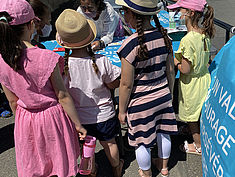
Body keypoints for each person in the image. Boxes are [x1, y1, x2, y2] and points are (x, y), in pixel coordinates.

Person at [0, 0, 87, 176]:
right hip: (52, 118)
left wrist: (23, 122)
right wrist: (78, 125)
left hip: (25, 118)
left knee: (35, 163)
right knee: (59, 161)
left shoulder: (2, 60)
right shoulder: (46, 57)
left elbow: (12, 100)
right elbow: (62, 96)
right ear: (32, 24)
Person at [55, 9, 124, 177]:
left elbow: (61, 93)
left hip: (79, 119)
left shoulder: (63, 66)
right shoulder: (101, 60)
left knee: (86, 148)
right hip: (105, 115)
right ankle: (117, 167)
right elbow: (114, 82)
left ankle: (91, 171)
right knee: (110, 144)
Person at [115, 0, 178, 176]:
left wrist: (121, 111)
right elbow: (171, 71)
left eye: (125, 11)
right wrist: (170, 94)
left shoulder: (130, 45)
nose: (124, 15)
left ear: (133, 15)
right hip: (163, 95)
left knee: (141, 141)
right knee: (163, 131)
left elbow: (126, 84)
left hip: (140, 103)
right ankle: (164, 167)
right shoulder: (164, 37)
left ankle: (146, 172)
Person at [167, 0, 215, 155]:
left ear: (190, 13)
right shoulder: (203, 33)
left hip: (192, 84)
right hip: (203, 78)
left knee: (192, 116)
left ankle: (198, 145)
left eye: (180, 10)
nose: (177, 14)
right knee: (199, 111)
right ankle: (191, 130)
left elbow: (186, 69)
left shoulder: (187, 40)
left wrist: (176, 61)